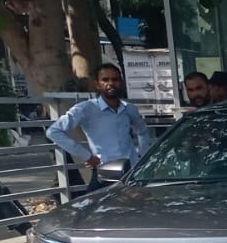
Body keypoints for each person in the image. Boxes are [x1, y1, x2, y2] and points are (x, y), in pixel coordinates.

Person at [46, 62, 151, 191]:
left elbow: (143, 131)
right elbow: (54, 131)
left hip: (132, 171)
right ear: (97, 84)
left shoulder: (129, 109)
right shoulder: (86, 109)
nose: (110, 83)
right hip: (105, 172)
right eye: (105, 80)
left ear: (121, 82)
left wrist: (143, 155)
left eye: (115, 79)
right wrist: (87, 157)